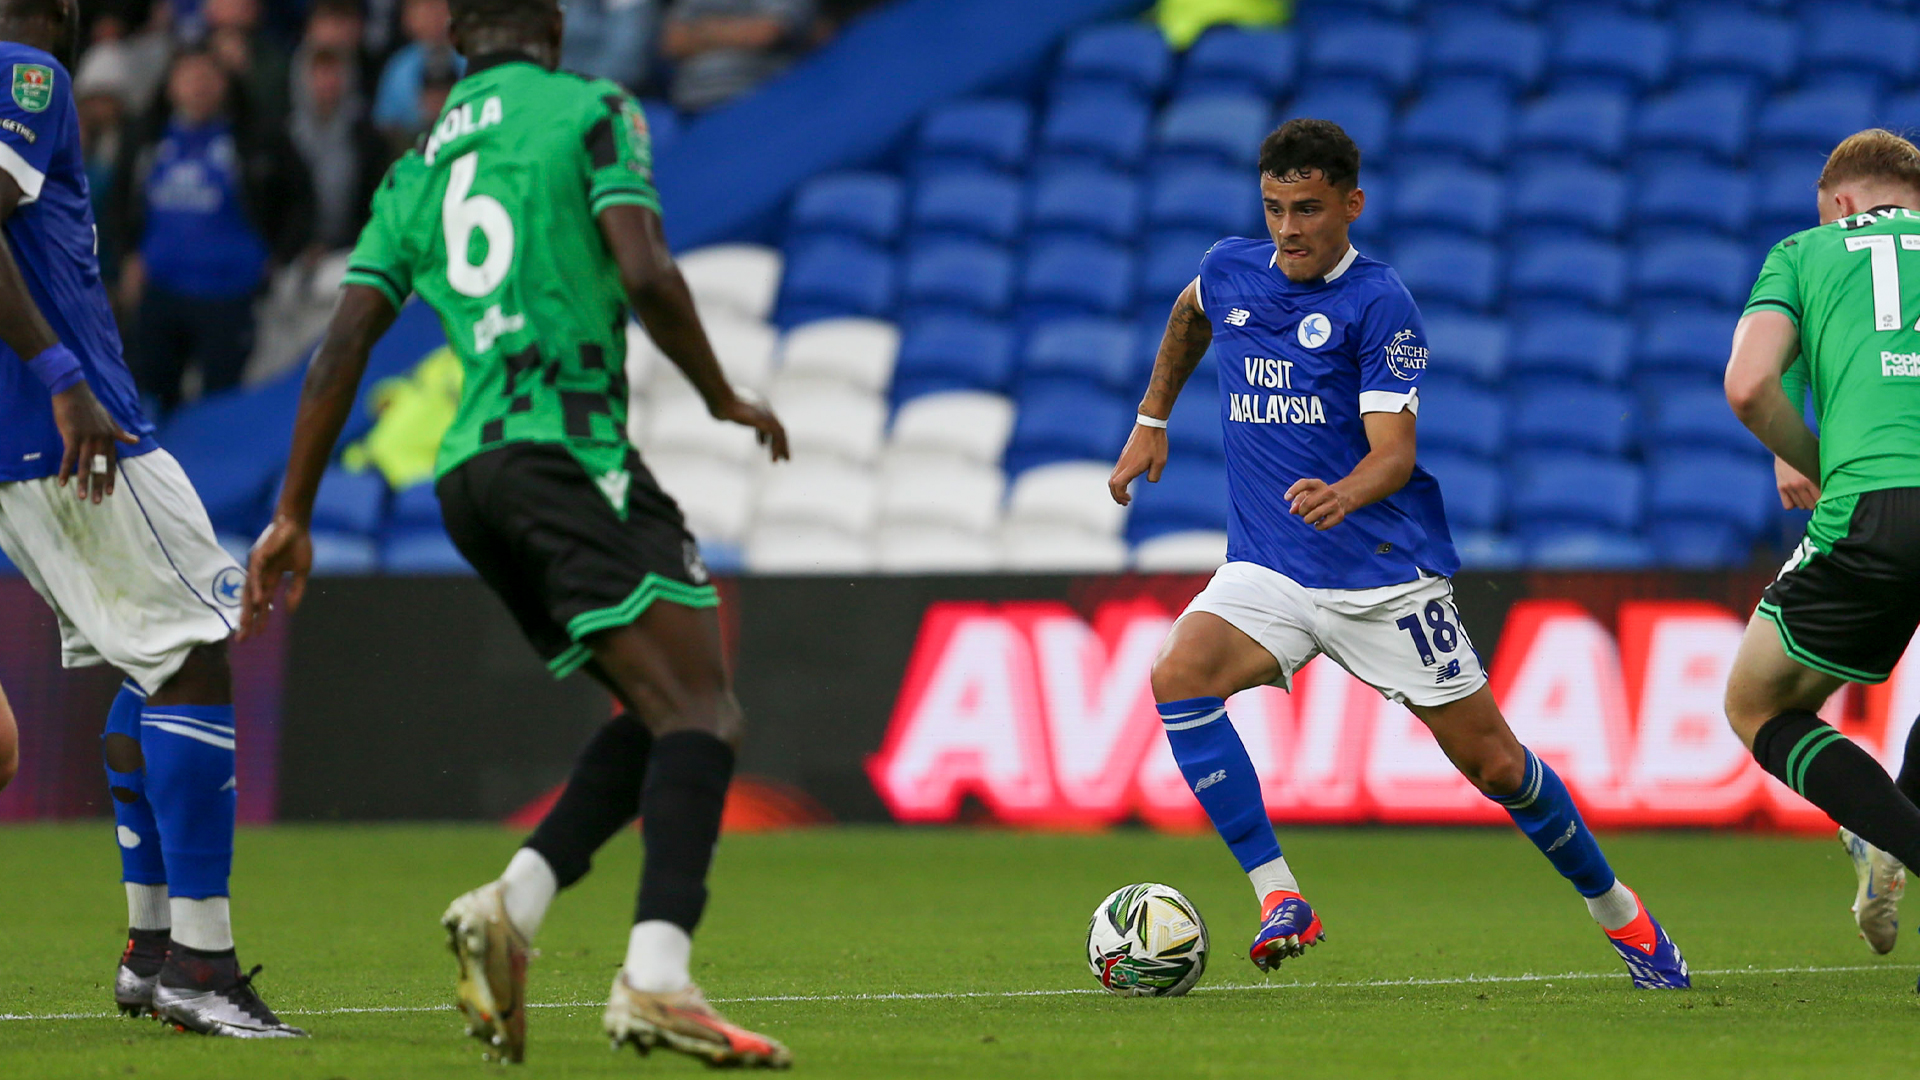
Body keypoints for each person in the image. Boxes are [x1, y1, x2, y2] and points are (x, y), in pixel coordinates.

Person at [240, 0, 793, 1063]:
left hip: (471, 476)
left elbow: (342, 342)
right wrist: (721, 394)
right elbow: (642, 269)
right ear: (552, 26)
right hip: (563, 449)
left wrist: (293, 513)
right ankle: (658, 980)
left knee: (659, 704)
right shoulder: (593, 109)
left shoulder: (416, 169)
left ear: (455, 43)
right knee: (704, 714)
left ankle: (513, 906)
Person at [1107, 118, 1691, 988]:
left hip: (1381, 576)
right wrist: (1152, 421)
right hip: (1269, 565)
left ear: (1352, 205)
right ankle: (1280, 897)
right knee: (1178, 675)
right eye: (1274, 208)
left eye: (1307, 209)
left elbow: (1395, 452)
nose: (1288, 229)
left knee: (1497, 766)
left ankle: (1627, 920)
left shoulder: (1379, 304)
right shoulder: (1232, 269)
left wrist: (1343, 494)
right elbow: (1190, 314)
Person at [0, 0, 300, 1037]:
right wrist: (60, 375)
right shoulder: (25, 71)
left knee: (154, 664)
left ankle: (148, 948)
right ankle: (201, 967)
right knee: (196, 655)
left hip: (26, 451)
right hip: (74, 431)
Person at [1723, 128, 1920, 982]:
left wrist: (1809, 456)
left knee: (1759, 707)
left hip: (1874, 506)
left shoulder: (1804, 251)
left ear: (1841, 202)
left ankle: (1890, 833)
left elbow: (1748, 384)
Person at [110, 46, 312, 413]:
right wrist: (127, 256)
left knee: (222, 405)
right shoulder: (146, 139)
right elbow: (117, 202)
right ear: (170, 86)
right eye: (188, 77)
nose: (198, 86)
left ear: (225, 83)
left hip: (230, 293)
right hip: (161, 291)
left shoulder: (257, 138)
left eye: (207, 76)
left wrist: (279, 256)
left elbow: (300, 198)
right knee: (151, 399)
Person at [288, 44, 387, 253]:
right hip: (295, 253)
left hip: (353, 249)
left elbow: (375, 201)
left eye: (334, 74)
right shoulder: (285, 138)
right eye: (320, 74)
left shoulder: (367, 137)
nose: (328, 83)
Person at [660, 0, 814, 114]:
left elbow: (765, 33)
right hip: (691, 107)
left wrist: (700, 32)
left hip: (756, 97)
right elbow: (672, 42)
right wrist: (736, 30)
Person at [370, 0, 461, 140]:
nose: (433, 14)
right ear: (407, 17)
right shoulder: (397, 67)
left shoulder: (468, 58)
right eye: (423, 7)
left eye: (439, 5)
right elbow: (384, 125)